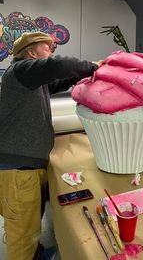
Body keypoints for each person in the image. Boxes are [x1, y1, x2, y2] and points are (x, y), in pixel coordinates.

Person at [0, 32, 100, 260]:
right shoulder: (20, 70)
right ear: (31, 52)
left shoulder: (31, 81)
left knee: (30, 222)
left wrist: (80, 76)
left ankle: (36, 254)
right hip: (18, 170)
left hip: (25, 167)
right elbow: (59, 66)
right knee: (21, 233)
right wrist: (91, 66)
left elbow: (58, 80)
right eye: (47, 48)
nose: (51, 51)